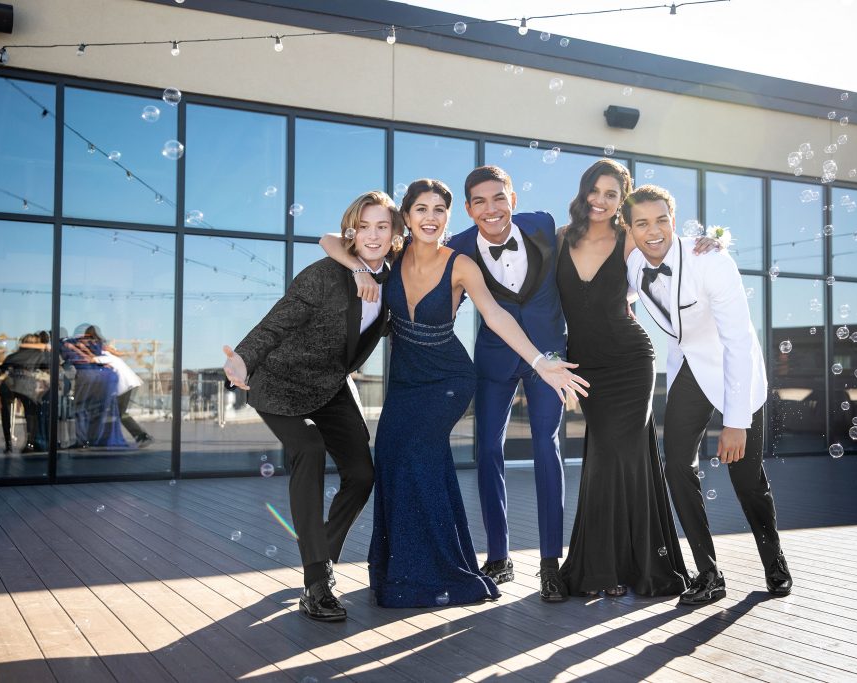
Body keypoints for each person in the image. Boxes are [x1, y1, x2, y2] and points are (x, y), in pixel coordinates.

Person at [320, 179, 588, 608]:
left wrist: (540, 362)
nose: (430, 217)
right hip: (406, 379)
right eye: (421, 209)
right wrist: (356, 270)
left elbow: (496, 315)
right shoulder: (390, 252)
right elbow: (330, 239)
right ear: (405, 218)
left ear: (449, 216)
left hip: (448, 378)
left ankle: (442, 568)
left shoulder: (461, 263)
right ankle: (399, 569)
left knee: (419, 455)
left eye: (439, 210)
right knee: (390, 458)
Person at [223, 190, 402, 622]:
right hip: (280, 380)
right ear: (352, 231)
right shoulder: (323, 275)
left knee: (362, 475)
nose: (373, 235)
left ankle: (320, 551)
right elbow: (278, 320)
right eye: (364, 226)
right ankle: (317, 582)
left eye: (382, 226)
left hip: (332, 387)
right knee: (308, 449)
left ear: (396, 233)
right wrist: (242, 358)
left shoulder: (395, 279)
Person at [622, 184, 792, 605]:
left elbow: (737, 340)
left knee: (747, 479)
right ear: (629, 229)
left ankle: (775, 564)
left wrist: (736, 422)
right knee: (676, 463)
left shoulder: (710, 259)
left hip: (738, 369)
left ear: (673, 221)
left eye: (662, 220)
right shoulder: (631, 266)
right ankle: (709, 574)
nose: (654, 231)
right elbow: (625, 296)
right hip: (693, 368)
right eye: (641, 223)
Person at [555, 159, 695, 598]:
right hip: (586, 366)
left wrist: (705, 244)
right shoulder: (560, 238)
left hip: (630, 361)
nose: (600, 200)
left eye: (611, 194)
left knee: (621, 455)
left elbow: (670, 251)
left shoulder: (629, 239)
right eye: (594, 191)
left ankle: (632, 568)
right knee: (603, 457)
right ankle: (603, 568)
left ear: (622, 199)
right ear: (583, 192)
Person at [445, 166, 569, 601]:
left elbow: (601, 241)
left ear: (512, 200)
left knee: (545, 447)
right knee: (486, 452)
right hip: (495, 361)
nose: (491, 208)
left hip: (548, 358)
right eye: (479, 201)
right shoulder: (457, 247)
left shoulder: (545, 225)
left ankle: (551, 562)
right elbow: (438, 301)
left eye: (499, 198)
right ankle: (499, 556)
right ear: (468, 209)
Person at [0, 332, 51, 453]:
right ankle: (29, 444)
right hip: (26, 385)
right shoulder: (38, 355)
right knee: (31, 414)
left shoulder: (13, 356)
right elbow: (49, 367)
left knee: (6, 414)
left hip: (8, 385)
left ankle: (8, 445)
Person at [61, 325, 127, 449]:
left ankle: (82, 440)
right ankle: (93, 438)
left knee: (81, 409)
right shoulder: (98, 344)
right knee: (96, 410)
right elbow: (115, 354)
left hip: (87, 377)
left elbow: (85, 359)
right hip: (105, 378)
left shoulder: (71, 344)